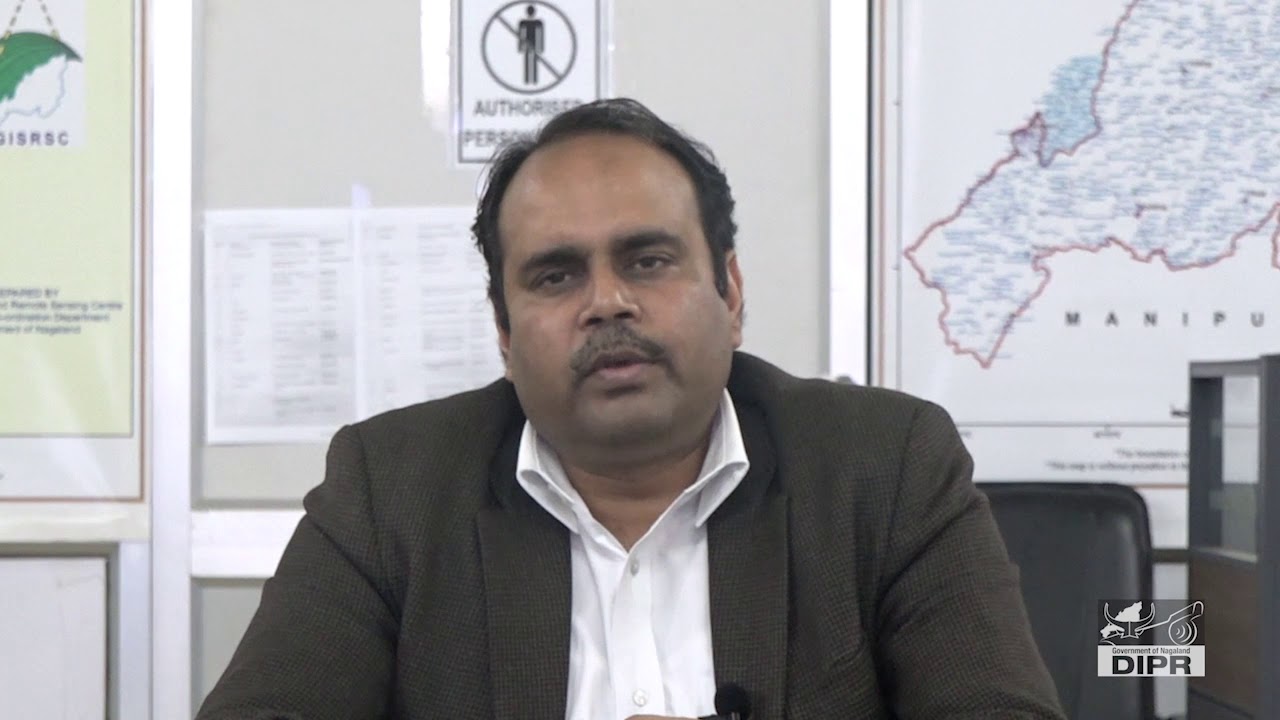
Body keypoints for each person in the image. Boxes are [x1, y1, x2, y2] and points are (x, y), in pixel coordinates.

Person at [196, 98, 1066, 720]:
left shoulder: (885, 467)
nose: (606, 302)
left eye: (648, 261)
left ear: (730, 291)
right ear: (503, 331)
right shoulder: (392, 491)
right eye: (556, 275)